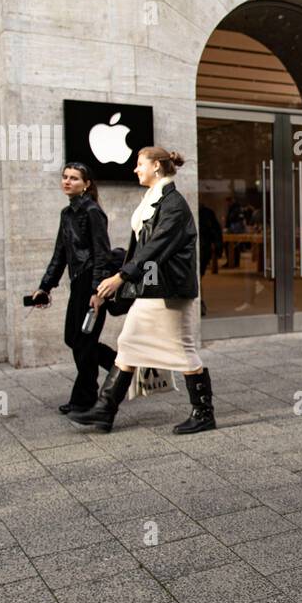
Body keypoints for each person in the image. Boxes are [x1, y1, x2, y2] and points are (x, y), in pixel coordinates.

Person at [70, 146, 216, 435]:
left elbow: (154, 247)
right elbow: (140, 248)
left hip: (169, 290)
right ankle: (104, 409)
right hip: (152, 288)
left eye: (140, 164)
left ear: (157, 168)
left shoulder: (173, 203)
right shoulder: (153, 199)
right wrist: (119, 279)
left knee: (183, 350)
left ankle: (204, 413)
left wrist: (121, 278)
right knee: (129, 343)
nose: (135, 169)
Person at [32, 162, 116, 414]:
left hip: (92, 282)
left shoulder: (92, 211)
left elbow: (103, 253)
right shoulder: (67, 213)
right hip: (78, 281)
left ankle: (84, 398)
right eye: (65, 177)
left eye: (74, 178)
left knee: (85, 341)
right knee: (74, 338)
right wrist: (45, 287)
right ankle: (121, 367)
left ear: (86, 184)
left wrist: (97, 292)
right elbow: (60, 253)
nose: (67, 182)